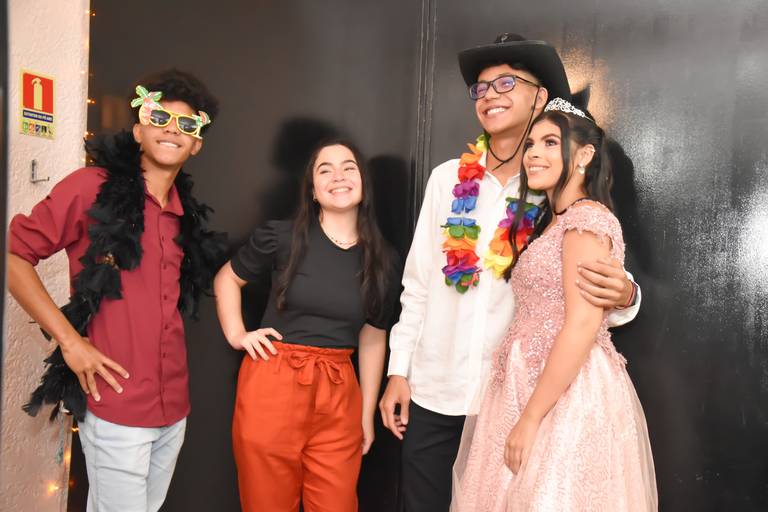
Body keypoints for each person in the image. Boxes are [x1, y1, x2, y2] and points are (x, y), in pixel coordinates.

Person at [379, 34, 642, 511]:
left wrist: (626, 294)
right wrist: (399, 370)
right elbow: (417, 284)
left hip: (508, 399)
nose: (489, 96)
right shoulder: (446, 180)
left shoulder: (552, 182)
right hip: (435, 389)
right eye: (480, 88)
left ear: (540, 98)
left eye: (505, 83)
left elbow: (585, 292)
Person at [7, 69, 225, 511]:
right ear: (138, 129)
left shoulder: (183, 215)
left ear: (196, 143)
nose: (172, 129)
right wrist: (70, 341)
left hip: (173, 407)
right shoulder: (91, 188)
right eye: (159, 117)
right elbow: (13, 256)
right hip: (118, 406)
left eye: (186, 124)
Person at [451, 98, 657, 511]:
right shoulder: (554, 222)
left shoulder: (586, 221)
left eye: (550, 142)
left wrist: (531, 418)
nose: (533, 153)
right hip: (525, 382)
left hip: (566, 393)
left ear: (584, 155)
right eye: (530, 144)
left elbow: (582, 324)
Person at [214, 140, 399, 512]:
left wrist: (365, 414)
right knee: (267, 503)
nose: (338, 176)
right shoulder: (282, 237)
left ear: (363, 182)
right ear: (313, 190)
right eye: (325, 170)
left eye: (348, 167)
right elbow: (227, 278)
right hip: (274, 381)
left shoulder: (384, 258)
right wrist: (237, 334)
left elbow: (373, 335)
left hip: (339, 390)